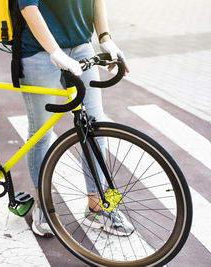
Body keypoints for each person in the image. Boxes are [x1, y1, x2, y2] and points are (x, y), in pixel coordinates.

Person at [18, 0, 134, 237]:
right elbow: (28, 6)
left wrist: (104, 38)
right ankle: (43, 205)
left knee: (94, 128)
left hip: (81, 47)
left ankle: (96, 206)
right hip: (40, 51)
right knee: (40, 133)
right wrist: (54, 52)